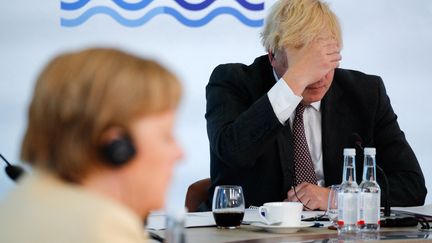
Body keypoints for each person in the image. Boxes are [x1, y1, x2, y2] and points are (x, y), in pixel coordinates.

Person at [205, 0, 426, 211]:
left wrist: (336, 198)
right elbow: (233, 153)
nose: (318, 77)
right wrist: (294, 82)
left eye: (326, 61)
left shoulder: (366, 93)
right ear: (272, 56)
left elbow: (412, 185)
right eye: (306, 64)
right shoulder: (232, 81)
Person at [0, 48, 183, 242]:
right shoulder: (101, 226)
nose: (180, 153)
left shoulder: (21, 203)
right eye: (166, 136)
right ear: (118, 148)